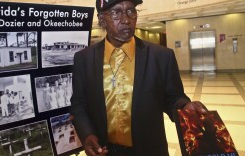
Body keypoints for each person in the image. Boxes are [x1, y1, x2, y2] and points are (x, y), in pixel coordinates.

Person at [70, 0, 209, 155]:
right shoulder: (84, 59)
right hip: (104, 150)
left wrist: (184, 107)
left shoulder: (162, 56)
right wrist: (87, 134)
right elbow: (79, 105)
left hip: (148, 150)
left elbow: (173, 97)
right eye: (116, 12)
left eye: (131, 11)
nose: (126, 20)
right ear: (102, 19)